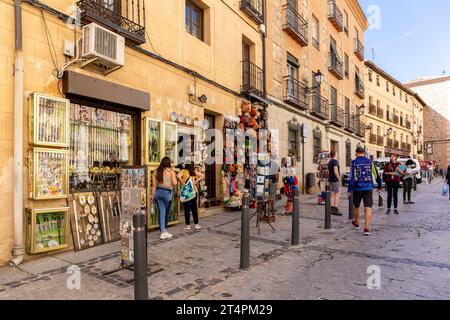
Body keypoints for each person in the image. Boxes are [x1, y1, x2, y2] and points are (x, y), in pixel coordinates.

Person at [348, 146, 382, 236]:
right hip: (368, 187)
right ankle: (366, 228)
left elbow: (352, 177)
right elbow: (376, 175)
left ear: (356, 153)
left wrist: (349, 189)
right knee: (368, 207)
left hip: (357, 187)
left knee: (356, 206)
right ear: (363, 152)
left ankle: (357, 223)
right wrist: (379, 185)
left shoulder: (354, 162)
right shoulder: (370, 162)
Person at [151, 157, 178, 240]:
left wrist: (152, 197)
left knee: (162, 212)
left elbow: (154, 186)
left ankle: (163, 231)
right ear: (169, 163)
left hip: (158, 193)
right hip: (167, 194)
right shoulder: (171, 171)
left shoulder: (156, 171)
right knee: (165, 212)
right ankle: (164, 230)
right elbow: (175, 183)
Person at [177, 163, 204, 230]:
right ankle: (196, 224)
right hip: (194, 192)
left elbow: (177, 176)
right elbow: (202, 175)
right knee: (194, 208)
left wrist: (182, 182)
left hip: (187, 193)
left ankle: (188, 225)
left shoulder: (183, 171)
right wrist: (195, 181)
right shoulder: (193, 171)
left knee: (187, 209)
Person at [328, 151, 342, 216]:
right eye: (337, 153)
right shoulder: (335, 161)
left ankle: (331, 209)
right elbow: (335, 171)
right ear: (335, 154)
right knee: (337, 194)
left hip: (330, 179)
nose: (338, 154)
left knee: (332, 194)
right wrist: (339, 179)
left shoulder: (330, 161)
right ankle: (335, 209)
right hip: (335, 180)